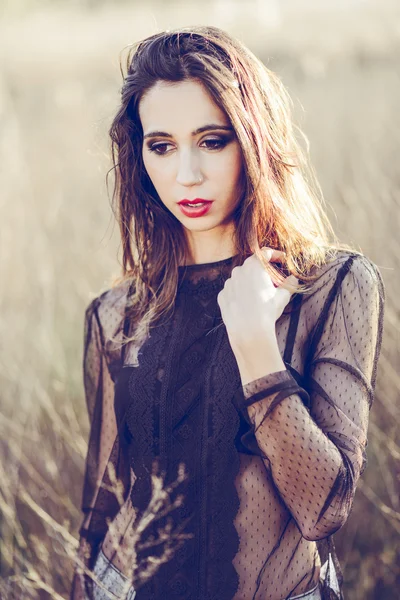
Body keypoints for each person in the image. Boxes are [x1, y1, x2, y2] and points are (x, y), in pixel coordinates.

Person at [70, 26, 385, 600]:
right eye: (161, 146)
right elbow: (100, 510)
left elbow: (323, 510)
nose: (185, 174)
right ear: (139, 156)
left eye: (212, 141)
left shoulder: (333, 287)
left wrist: (253, 342)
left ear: (253, 140)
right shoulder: (116, 316)